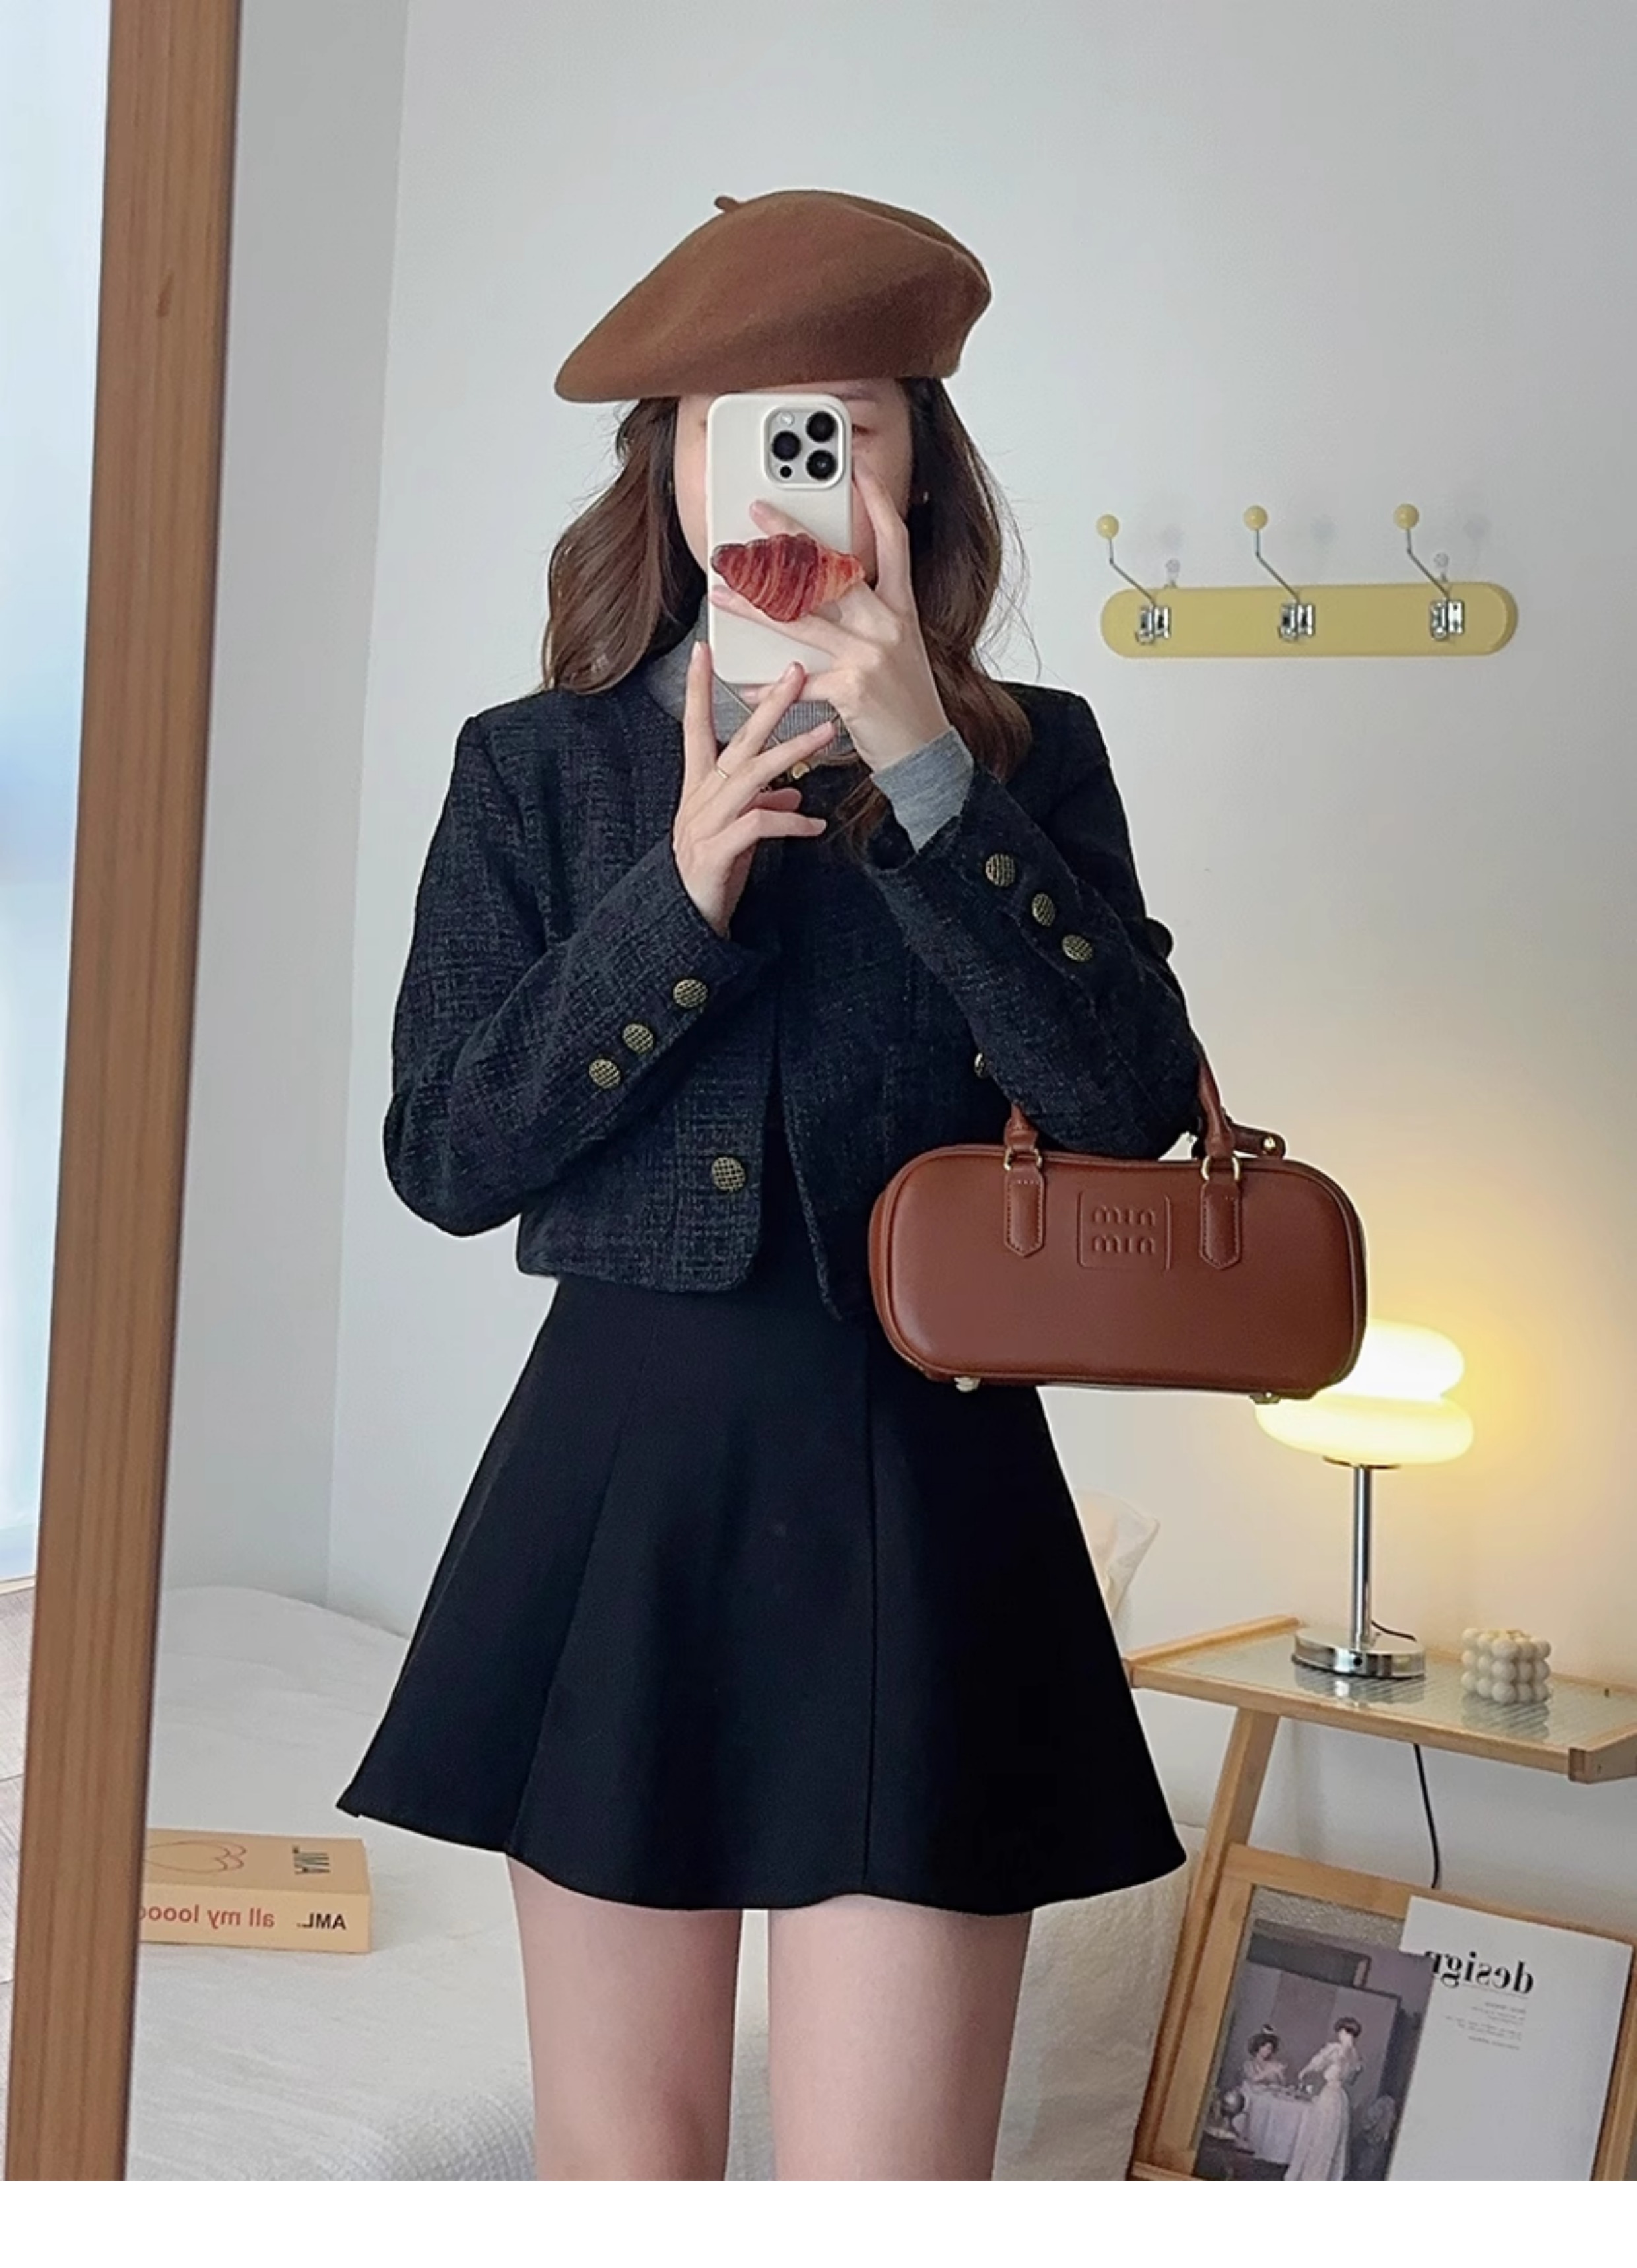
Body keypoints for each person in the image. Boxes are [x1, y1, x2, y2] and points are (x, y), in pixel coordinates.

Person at [335, 188, 1205, 2180]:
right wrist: (681, 890)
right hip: (619, 1490)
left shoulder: (1030, 755)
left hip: (928, 1481)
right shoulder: (536, 766)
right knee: (621, 2172)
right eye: (740, 430)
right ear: (671, 467)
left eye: (843, 424)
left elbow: (1124, 1100)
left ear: (917, 466)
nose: (790, 471)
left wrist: (928, 776)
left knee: (884, 2189)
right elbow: (446, 1151)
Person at [1284, 2017, 1365, 2180]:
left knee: (1319, 2135)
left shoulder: (1336, 2049)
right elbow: (1351, 2080)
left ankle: (1312, 2176)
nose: (1339, 2035)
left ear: (1344, 2032)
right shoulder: (1356, 2056)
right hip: (1340, 2098)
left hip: (1330, 2096)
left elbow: (1318, 2063)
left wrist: (1304, 2071)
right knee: (1329, 2137)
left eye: (1340, 2032)